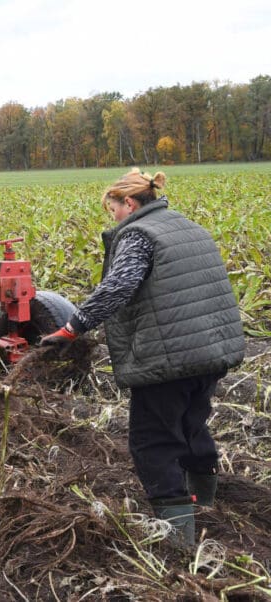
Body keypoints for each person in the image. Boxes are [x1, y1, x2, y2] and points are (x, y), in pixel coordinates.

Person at [41, 168, 245, 549]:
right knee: (191, 424)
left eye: (114, 209)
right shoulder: (186, 226)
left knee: (153, 440)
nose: (114, 217)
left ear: (129, 204)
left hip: (169, 357)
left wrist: (74, 327)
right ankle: (205, 502)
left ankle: (177, 539)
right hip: (212, 350)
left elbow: (119, 286)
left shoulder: (138, 234)